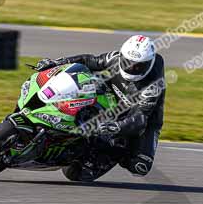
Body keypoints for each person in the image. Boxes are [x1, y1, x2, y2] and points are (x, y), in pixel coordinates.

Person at [33, 35, 165, 181]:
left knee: (139, 167)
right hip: (110, 96)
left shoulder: (152, 87)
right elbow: (89, 60)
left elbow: (140, 119)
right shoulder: (115, 58)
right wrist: (57, 62)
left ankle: (117, 150)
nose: (132, 68)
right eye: (128, 62)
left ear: (150, 63)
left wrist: (116, 127)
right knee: (86, 81)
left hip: (140, 118)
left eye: (138, 66)